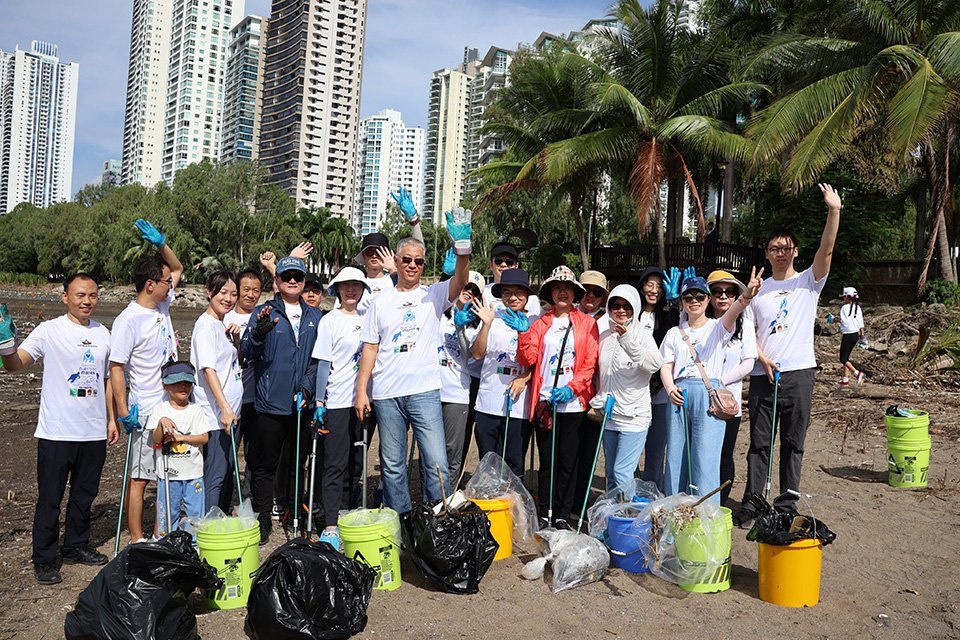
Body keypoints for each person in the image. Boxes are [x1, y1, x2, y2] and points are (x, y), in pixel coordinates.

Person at [354, 209, 473, 514]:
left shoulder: (433, 294)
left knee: (436, 464)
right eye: (406, 259)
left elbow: (460, 280)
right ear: (396, 261)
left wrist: (463, 248)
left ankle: (437, 520)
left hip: (424, 392)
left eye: (418, 261)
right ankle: (403, 522)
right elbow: (370, 348)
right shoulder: (380, 301)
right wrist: (361, 390)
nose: (412, 265)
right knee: (393, 466)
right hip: (386, 394)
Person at [0, 274, 116, 585]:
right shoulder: (48, 331)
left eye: (92, 295)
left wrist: (111, 419)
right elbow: (15, 365)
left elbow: (106, 380)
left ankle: (76, 546)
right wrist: (5, 345)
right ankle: (44, 558)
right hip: (56, 432)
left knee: (84, 495)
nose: (87, 300)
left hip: (93, 432)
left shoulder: (104, 333)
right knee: (50, 498)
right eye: (80, 295)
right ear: (64, 296)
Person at [740, 184, 842, 521]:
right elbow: (748, 332)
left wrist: (834, 211)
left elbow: (826, 252)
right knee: (758, 443)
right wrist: (760, 356)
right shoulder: (758, 290)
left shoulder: (808, 283)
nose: (780, 253)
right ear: (766, 254)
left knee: (793, 443)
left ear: (795, 252)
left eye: (786, 248)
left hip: (799, 374)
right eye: (774, 248)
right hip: (763, 375)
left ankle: (787, 504)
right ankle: (754, 500)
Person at [658, 270, 762, 505]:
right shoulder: (675, 333)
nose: (694, 301)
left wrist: (745, 296)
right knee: (676, 456)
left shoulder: (717, 327)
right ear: (682, 302)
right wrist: (669, 387)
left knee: (705, 458)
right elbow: (666, 364)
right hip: (679, 394)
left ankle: (706, 515)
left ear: (707, 300)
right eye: (688, 297)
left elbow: (734, 312)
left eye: (699, 296)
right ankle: (675, 512)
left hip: (708, 395)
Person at [110, 218, 183, 544]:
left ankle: (161, 533)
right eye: (166, 282)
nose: (172, 285)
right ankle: (137, 539)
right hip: (147, 405)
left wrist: (160, 242)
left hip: (172, 404)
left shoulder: (162, 305)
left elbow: (177, 266)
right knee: (140, 477)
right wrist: (124, 412)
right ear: (150, 284)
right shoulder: (128, 320)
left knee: (168, 473)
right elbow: (116, 367)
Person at [241, 255, 323, 544]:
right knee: (265, 465)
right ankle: (264, 517)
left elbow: (318, 361)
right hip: (270, 403)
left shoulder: (316, 316)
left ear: (303, 282)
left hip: (302, 404)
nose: (292, 281)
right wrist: (257, 335)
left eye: (297, 277)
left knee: (296, 463)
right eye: (286, 276)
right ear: (276, 280)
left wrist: (308, 388)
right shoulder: (264, 312)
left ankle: (292, 511)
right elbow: (247, 352)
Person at [516, 265, 599, 526]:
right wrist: (524, 334)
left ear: (575, 293)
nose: (563, 293)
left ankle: (563, 514)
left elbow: (589, 362)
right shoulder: (541, 323)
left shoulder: (587, 324)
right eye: (558, 288)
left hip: (573, 403)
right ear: (551, 293)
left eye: (568, 289)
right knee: (548, 461)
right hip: (545, 402)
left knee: (568, 462)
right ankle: (546, 511)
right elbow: (528, 359)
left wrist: (572, 388)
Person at [311, 266, 371, 549]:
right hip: (336, 400)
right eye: (345, 286)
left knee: (356, 463)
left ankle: (348, 510)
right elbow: (323, 364)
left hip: (363, 402)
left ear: (362, 290)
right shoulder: (330, 321)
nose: (351, 291)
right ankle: (331, 524)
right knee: (334, 463)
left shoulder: (369, 318)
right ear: (337, 289)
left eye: (356, 286)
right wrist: (320, 401)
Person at [590, 284, 662, 497]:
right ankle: (614, 520)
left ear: (635, 308)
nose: (621, 310)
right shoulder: (604, 334)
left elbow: (654, 364)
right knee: (611, 474)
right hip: (610, 414)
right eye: (615, 305)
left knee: (622, 472)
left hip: (634, 415)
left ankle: (631, 519)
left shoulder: (642, 334)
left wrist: (627, 340)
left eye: (627, 306)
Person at [471, 268, 538, 477]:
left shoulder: (536, 321)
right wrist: (486, 325)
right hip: (488, 402)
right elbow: (477, 354)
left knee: (513, 462)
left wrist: (525, 377)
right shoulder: (492, 317)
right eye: (507, 292)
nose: (513, 297)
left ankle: (513, 506)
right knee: (488, 460)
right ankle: (489, 506)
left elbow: (539, 361)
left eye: (519, 292)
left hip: (518, 406)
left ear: (527, 295)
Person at [190, 271, 242, 513]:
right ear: (209, 292)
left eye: (233, 294)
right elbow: (208, 370)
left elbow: (230, 365)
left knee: (227, 470)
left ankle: (219, 520)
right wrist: (224, 407)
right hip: (217, 415)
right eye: (223, 292)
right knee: (216, 473)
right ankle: (209, 527)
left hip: (230, 411)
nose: (229, 298)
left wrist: (236, 340)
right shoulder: (205, 327)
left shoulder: (220, 325)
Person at [706, 270, 758, 505]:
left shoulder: (744, 323)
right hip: (702, 397)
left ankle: (721, 501)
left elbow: (749, 361)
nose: (723, 296)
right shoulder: (701, 321)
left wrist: (720, 382)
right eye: (717, 291)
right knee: (702, 452)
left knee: (724, 453)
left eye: (729, 291)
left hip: (729, 400)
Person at [636, 266, 683, 491]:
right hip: (633, 391)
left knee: (655, 447)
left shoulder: (666, 317)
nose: (653, 290)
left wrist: (674, 302)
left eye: (659, 286)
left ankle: (651, 490)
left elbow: (676, 330)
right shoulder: (631, 313)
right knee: (631, 447)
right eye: (649, 284)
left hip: (659, 392)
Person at [150, 361, 209, 538]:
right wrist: (162, 423)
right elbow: (156, 439)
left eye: (187, 383)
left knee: (195, 514)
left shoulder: (196, 410)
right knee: (167, 512)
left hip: (193, 472)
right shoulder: (160, 410)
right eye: (177, 383)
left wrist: (181, 437)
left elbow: (204, 437)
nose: (183, 387)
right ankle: (166, 542)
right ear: (165, 385)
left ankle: (194, 545)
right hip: (169, 474)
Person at [439, 271, 486, 485]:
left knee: (453, 448)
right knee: (430, 446)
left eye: (475, 291)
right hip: (431, 387)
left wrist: (460, 328)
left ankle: (449, 494)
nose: (469, 292)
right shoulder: (438, 313)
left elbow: (471, 354)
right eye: (466, 287)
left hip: (457, 390)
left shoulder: (475, 325)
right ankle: (430, 496)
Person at [573, 269, 609, 512]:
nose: (591, 296)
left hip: (597, 395)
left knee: (588, 453)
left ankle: (580, 502)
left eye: (597, 292)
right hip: (571, 393)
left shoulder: (608, 320)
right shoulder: (568, 316)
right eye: (586, 290)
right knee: (567, 452)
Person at [223, 268, 262, 467]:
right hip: (232, 399)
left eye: (256, 290)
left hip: (257, 399)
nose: (251, 295)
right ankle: (223, 496)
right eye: (246, 289)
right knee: (227, 453)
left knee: (254, 454)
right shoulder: (225, 318)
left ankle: (249, 496)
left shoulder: (263, 317)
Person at [482, 241, 541, 313]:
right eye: (498, 261)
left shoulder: (532, 298)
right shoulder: (482, 292)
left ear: (516, 265)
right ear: (490, 265)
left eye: (509, 262)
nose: (503, 265)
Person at [838, 286, 866, 386]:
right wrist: (862, 336)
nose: (843, 298)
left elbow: (843, 321)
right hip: (855, 335)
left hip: (848, 335)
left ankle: (857, 373)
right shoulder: (857, 308)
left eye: (844, 297)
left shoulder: (844, 308)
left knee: (843, 359)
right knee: (847, 357)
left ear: (847, 297)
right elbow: (861, 323)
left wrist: (834, 320)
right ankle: (845, 378)